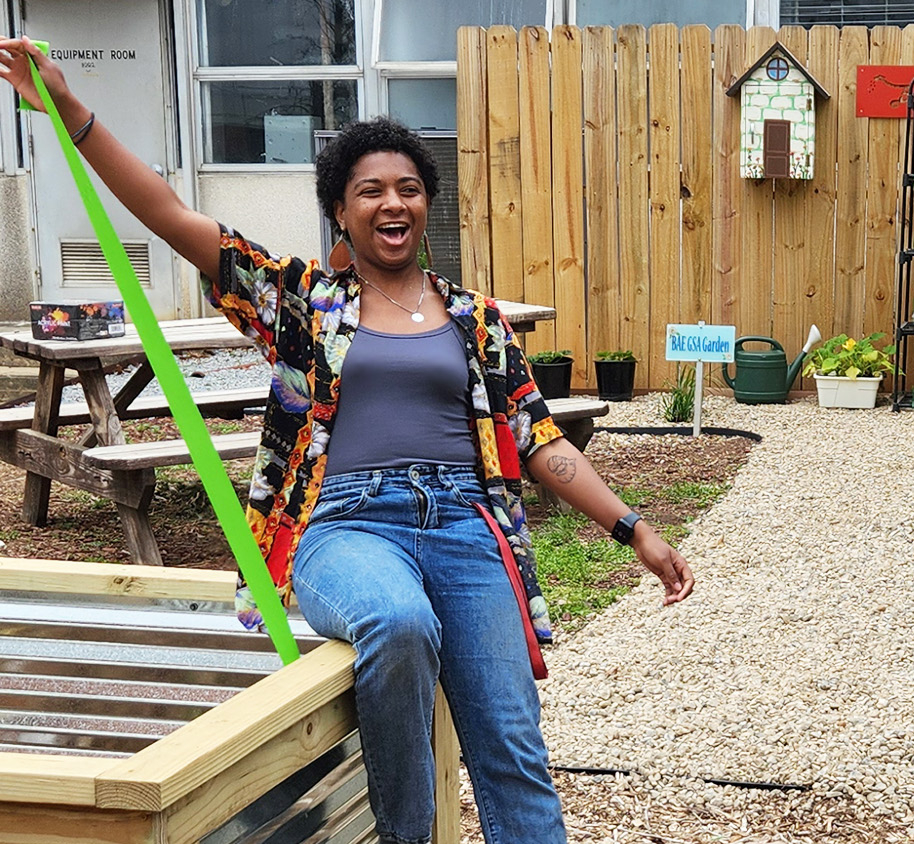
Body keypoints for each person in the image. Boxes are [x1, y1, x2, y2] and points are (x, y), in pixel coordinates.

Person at [1, 36, 695, 844]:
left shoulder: (478, 322)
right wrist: (69, 109)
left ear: (427, 205)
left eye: (407, 188)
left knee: (512, 748)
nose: (391, 203)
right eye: (370, 191)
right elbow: (167, 211)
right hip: (345, 525)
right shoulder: (299, 302)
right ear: (341, 208)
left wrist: (632, 528)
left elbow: (541, 443)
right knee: (397, 622)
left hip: (470, 527)